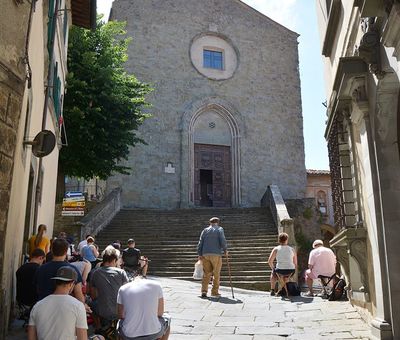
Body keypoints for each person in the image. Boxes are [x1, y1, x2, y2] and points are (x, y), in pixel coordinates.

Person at [28, 266, 88, 340]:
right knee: (99, 337)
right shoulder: (78, 306)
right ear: (71, 284)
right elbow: (82, 338)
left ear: (56, 282)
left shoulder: (37, 306)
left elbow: (31, 337)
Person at [34, 238, 87, 307]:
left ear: (52, 250)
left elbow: (36, 290)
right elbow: (79, 295)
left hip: (42, 306)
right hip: (63, 308)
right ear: (66, 252)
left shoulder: (40, 268)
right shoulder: (73, 270)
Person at [117, 275, 171, 340]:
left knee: (119, 324)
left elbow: (121, 315)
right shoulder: (157, 285)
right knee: (168, 318)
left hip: (129, 335)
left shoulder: (122, 288)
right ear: (145, 279)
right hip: (154, 332)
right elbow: (160, 313)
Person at [89, 246, 128, 324]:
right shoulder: (121, 272)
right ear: (114, 260)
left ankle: (98, 326)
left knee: (90, 303)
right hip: (120, 310)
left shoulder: (95, 272)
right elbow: (127, 293)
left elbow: (93, 295)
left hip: (102, 311)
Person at [197, 217, 228, 298]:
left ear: (210, 223)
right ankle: (214, 292)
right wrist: (225, 249)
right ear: (217, 222)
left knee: (206, 273)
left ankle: (204, 291)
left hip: (205, 254)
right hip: (216, 254)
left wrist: (199, 254)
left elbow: (200, 242)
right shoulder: (219, 229)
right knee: (216, 273)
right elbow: (222, 240)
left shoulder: (205, 230)